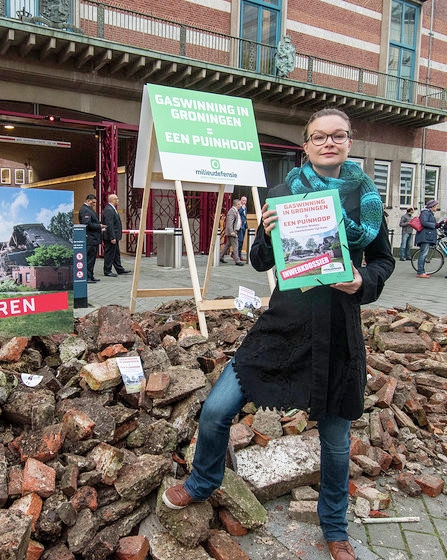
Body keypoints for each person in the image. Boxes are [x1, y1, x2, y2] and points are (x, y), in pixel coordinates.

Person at [162, 108, 394, 560]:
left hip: (337, 333)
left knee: (336, 441)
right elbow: (261, 261)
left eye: (338, 136)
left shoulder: (366, 200)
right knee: (216, 408)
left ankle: (334, 528)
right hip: (284, 324)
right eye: (319, 137)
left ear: (349, 142)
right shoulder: (284, 192)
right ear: (305, 145)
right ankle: (203, 481)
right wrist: (265, 233)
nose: (329, 143)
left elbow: (384, 260)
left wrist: (364, 281)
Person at [101, 193, 130, 277]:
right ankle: (107, 271)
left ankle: (119, 269)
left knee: (116, 253)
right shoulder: (109, 210)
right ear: (112, 200)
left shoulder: (112, 209)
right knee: (109, 254)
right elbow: (109, 225)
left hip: (114, 236)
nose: (118, 200)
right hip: (111, 237)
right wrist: (112, 237)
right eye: (116, 199)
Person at [78, 193, 102, 283]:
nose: (94, 204)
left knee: (92, 259)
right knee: (89, 259)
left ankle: (90, 276)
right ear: (88, 200)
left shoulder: (89, 209)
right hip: (90, 238)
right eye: (93, 202)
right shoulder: (85, 210)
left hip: (93, 238)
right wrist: (99, 226)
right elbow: (87, 224)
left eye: (95, 202)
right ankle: (87, 277)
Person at [414, 200, 439, 278]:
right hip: (425, 236)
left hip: (427, 236)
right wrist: (435, 225)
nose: (437, 207)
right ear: (432, 207)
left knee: (424, 253)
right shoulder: (425, 212)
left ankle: (421, 271)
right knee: (423, 254)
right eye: (436, 206)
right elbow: (424, 222)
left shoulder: (429, 213)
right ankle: (420, 272)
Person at [220, 197, 245, 265]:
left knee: (227, 245)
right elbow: (229, 222)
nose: (241, 205)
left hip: (236, 231)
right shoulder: (232, 211)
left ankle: (220, 257)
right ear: (237, 204)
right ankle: (237, 260)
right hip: (233, 232)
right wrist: (232, 232)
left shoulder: (236, 210)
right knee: (235, 245)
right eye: (240, 204)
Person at [237, 195, 248, 260]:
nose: (244, 202)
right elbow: (238, 214)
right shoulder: (239, 207)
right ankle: (238, 255)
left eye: (245, 201)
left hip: (244, 226)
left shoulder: (245, 208)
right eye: (243, 200)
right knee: (240, 240)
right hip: (240, 226)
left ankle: (237, 254)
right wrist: (242, 208)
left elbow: (244, 216)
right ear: (241, 200)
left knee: (242, 241)